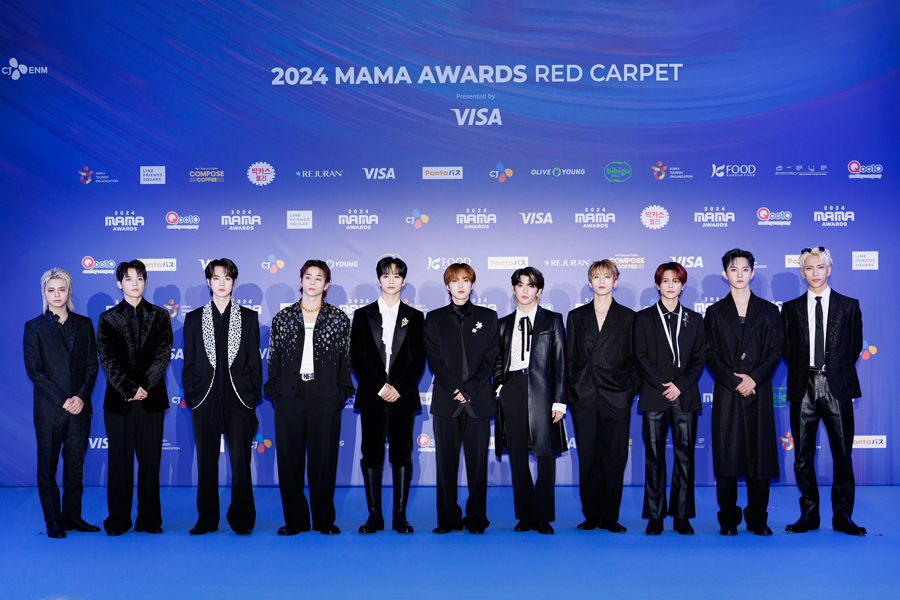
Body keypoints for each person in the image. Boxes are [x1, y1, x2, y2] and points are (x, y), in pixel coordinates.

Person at [781, 246, 866, 535]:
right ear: (802, 272)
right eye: (809, 268)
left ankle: (843, 516)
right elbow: (788, 349)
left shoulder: (849, 305)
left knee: (843, 455)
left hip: (837, 386)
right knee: (802, 457)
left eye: (820, 267)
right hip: (802, 386)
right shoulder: (790, 308)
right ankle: (809, 516)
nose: (814, 273)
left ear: (829, 270)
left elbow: (854, 347)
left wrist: (835, 373)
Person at [266, 260, 354, 535]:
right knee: (289, 461)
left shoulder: (339, 319)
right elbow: (273, 358)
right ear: (301, 281)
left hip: (325, 395)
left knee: (323, 459)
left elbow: (346, 361)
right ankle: (295, 520)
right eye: (308, 276)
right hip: (289, 396)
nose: (313, 281)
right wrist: (276, 391)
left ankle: (324, 520)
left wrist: (340, 393)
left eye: (319, 278)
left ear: (326, 285)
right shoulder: (283, 318)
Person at [704, 249, 784, 536]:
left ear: (752, 272)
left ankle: (757, 519)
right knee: (727, 459)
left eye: (744, 269)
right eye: (733, 269)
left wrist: (754, 378)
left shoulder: (769, 310)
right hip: (728, 393)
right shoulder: (714, 312)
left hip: (758, 392)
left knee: (758, 458)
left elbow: (776, 351)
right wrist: (734, 380)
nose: (739, 274)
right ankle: (728, 520)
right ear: (725, 273)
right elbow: (710, 353)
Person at [182, 258, 262, 535]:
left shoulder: (249, 318)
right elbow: (188, 364)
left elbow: (255, 363)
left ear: (234, 282)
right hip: (204, 400)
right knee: (205, 462)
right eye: (216, 278)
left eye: (227, 278)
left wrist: (250, 395)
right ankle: (206, 519)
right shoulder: (193, 319)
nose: (221, 283)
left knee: (240, 463)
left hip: (239, 400)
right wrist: (192, 395)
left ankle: (242, 518)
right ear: (208, 282)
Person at [349, 257, 426, 534]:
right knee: (371, 454)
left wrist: (399, 388)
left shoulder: (416, 317)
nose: (391, 280)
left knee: (402, 454)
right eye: (386, 275)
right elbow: (357, 357)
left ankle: (400, 517)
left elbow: (418, 359)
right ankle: (374, 517)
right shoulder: (362, 314)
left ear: (404, 281)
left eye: (396, 276)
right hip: (372, 396)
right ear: (378, 279)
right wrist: (380, 387)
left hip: (403, 398)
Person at [97, 260, 173, 535]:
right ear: (120, 284)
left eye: (139, 278)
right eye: (129, 279)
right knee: (119, 463)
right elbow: (107, 359)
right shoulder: (107, 319)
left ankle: (149, 520)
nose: (135, 283)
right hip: (119, 401)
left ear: (145, 282)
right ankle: (118, 520)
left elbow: (163, 356)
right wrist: (129, 389)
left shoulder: (161, 315)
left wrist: (143, 387)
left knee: (150, 463)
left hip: (151, 400)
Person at [23, 268, 99, 539]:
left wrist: (80, 396)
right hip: (49, 410)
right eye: (51, 290)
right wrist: (63, 400)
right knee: (47, 467)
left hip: (80, 408)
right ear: (44, 293)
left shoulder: (85, 324)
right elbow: (35, 370)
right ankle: (53, 520)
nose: (57, 295)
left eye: (62, 289)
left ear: (69, 291)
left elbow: (92, 365)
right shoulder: (34, 327)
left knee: (75, 466)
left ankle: (73, 517)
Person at [566, 260, 641, 533]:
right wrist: (573, 391)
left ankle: (609, 515)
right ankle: (591, 515)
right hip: (584, 397)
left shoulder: (629, 317)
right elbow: (570, 360)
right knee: (588, 458)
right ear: (589, 282)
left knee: (615, 458)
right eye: (596, 276)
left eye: (607, 276)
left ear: (615, 281)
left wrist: (630, 388)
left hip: (617, 397)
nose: (601, 281)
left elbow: (636, 361)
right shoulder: (575, 317)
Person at [424, 262, 499, 534]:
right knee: (446, 465)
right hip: (446, 402)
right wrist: (456, 387)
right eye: (455, 281)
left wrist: (468, 390)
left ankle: (477, 518)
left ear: (472, 284)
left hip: (477, 401)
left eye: (466, 280)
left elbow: (491, 359)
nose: (460, 285)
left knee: (478, 466)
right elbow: (434, 359)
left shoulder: (489, 317)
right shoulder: (433, 319)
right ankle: (447, 519)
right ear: (447, 285)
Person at [492, 266, 566, 535]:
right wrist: (499, 386)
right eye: (520, 285)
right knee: (518, 455)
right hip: (512, 389)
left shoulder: (553, 320)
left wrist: (559, 400)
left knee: (545, 454)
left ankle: (543, 516)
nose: (525, 290)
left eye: (531, 285)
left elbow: (560, 363)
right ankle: (525, 515)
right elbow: (498, 360)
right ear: (513, 289)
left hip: (543, 392)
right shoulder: (502, 324)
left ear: (539, 290)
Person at [633, 262, 705, 536]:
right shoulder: (642, 318)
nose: (671, 285)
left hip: (685, 397)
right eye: (666, 280)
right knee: (654, 458)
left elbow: (699, 359)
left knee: (685, 458)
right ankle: (655, 516)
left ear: (683, 285)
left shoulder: (695, 320)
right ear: (658, 285)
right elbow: (639, 357)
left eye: (676, 280)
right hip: (654, 395)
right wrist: (665, 385)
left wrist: (680, 385)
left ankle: (682, 516)